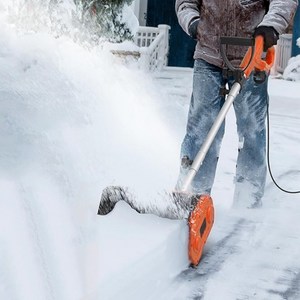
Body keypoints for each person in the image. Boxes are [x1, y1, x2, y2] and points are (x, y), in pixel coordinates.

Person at [175, 0, 298, 208]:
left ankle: (247, 202)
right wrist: (193, 23)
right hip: (208, 56)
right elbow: (185, 3)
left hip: (251, 56)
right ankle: (192, 198)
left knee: (252, 133)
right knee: (201, 130)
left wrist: (270, 25)